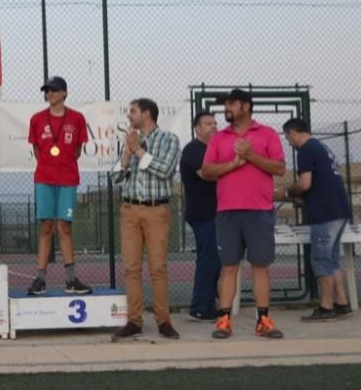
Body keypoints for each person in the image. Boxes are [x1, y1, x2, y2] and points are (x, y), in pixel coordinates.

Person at [200, 89, 287, 339]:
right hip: (227, 211)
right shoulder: (219, 138)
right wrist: (232, 164)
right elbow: (206, 170)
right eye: (225, 104)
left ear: (246, 106)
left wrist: (250, 155)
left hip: (259, 210)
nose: (226, 108)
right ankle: (224, 320)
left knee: (261, 267)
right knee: (228, 267)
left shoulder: (267, 134)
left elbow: (280, 168)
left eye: (231, 103)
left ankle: (263, 320)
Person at [111, 98, 182, 341]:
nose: (128, 115)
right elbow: (116, 179)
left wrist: (139, 150)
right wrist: (126, 155)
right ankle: (134, 320)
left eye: (132, 111)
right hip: (130, 210)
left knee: (158, 268)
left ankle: (164, 321)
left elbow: (164, 171)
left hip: (156, 211)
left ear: (147, 114)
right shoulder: (130, 140)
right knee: (131, 268)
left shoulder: (168, 140)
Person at [280, 118, 354, 322]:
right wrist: (305, 200)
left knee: (321, 260)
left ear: (294, 133)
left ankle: (326, 307)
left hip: (325, 214)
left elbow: (305, 183)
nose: (289, 143)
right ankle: (341, 303)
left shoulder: (305, 149)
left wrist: (287, 192)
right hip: (339, 210)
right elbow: (321, 184)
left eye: (288, 138)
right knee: (332, 259)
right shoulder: (322, 147)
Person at [26, 76, 92, 295]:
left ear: (64, 92)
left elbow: (77, 150)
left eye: (54, 90)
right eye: (47, 90)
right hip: (44, 178)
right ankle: (41, 279)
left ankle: (71, 280)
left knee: (65, 227)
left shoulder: (77, 118)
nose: (50, 94)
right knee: (46, 226)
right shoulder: (36, 119)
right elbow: (36, 150)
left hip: (68, 179)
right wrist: (49, 164)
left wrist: (62, 164)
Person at [179, 110, 221, 321]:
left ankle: (210, 303)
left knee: (218, 260)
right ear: (197, 128)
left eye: (215, 123)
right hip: (204, 213)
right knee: (209, 259)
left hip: (219, 212)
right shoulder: (193, 149)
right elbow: (206, 173)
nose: (213, 126)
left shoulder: (216, 150)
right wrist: (233, 167)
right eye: (208, 123)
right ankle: (200, 307)